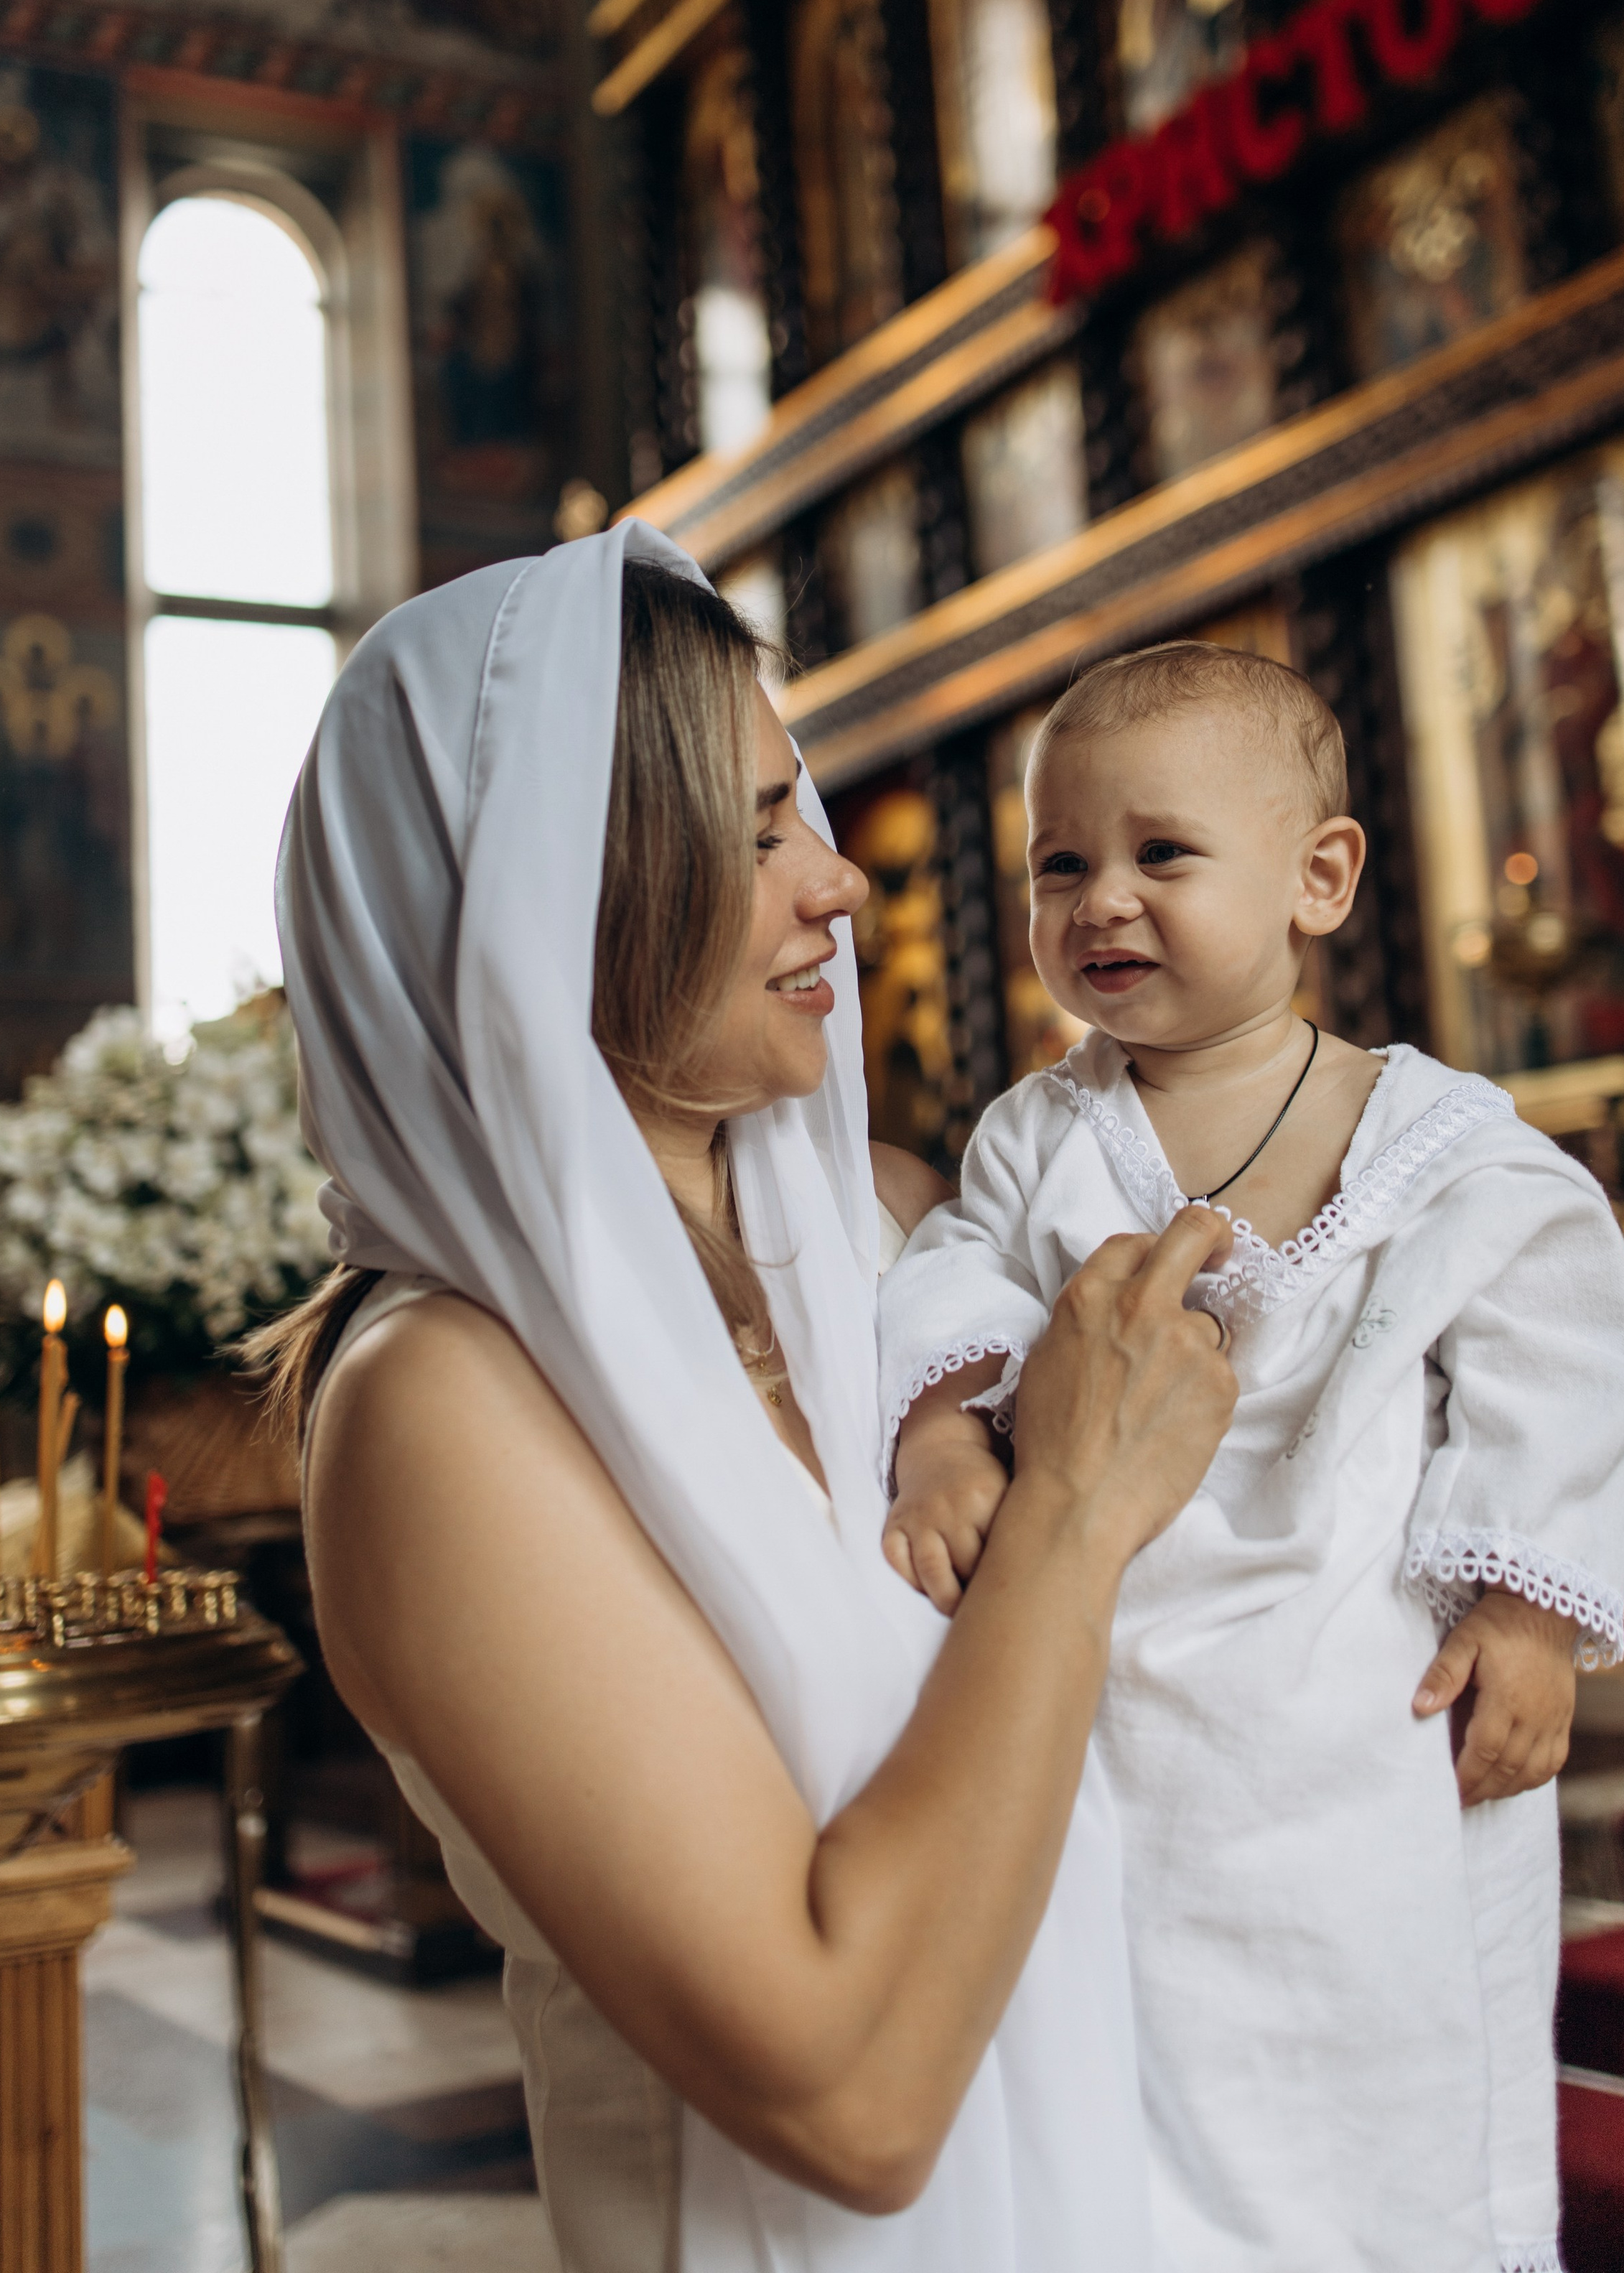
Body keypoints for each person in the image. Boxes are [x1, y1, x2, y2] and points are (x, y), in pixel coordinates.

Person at [261, 529, 1241, 2273]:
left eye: (807, 807)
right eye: (758, 830)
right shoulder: (437, 1403)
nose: (839, 884)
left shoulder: (873, 1232)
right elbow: (845, 2098)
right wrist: (1076, 1509)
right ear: (540, 901)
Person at [879, 638, 1624, 2273]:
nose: (1100, 900)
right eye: (1059, 864)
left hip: (1363, 1682)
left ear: (1316, 879)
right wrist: (944, 1433)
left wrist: (1520, 1611)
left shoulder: (1435, 1145)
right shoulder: (1040, 1136)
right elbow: (950, 1273)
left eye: (1160, 854)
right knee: (1136, 2038)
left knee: (1373, 2030)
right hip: (1122, 1699)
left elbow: (1561, 1356)